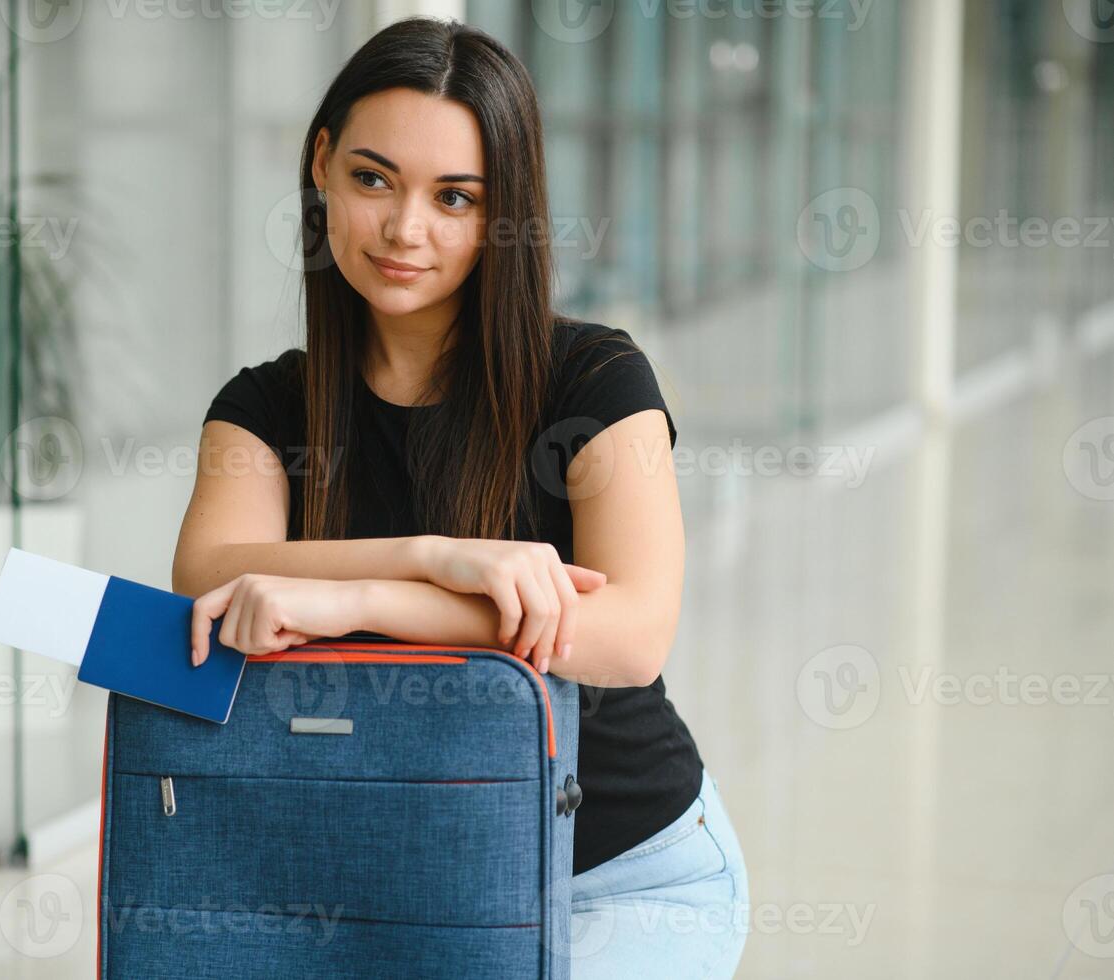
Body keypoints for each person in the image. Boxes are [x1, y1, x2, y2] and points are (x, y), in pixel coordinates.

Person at [170, 16, 748, 978]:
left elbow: (630, 633)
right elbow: (211, 573)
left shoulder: (594, 379)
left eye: (455, 198)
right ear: (320, 166)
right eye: (372, 178)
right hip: (382, 885)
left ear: (503, 212)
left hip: (616, 874)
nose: (405, 229)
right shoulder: (263, 407)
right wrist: (437, 555)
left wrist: (362, 601)